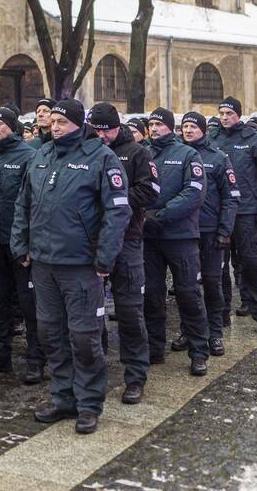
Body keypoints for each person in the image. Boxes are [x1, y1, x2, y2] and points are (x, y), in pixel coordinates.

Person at [12, 99, 131, 435]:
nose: (56, 125)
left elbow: (118, 211)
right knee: (51, 334)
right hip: (44, 263)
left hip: (81, 265)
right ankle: (63, 397)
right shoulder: (41, 155)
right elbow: (24, 204)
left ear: (79, 124)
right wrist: (20, 245)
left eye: (62, 121)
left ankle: (89, 404)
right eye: (53, 120)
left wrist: (104, 257)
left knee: (84, 338)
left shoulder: (101, 157)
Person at [88, 102, 159, 402]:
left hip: (128, 239)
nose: (102, 136)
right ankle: (95, 369)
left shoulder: (138, 153)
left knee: (129, 311)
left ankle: (135, 374)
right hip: (93, 240)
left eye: (107, 131)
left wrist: (114, 196)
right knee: (93, 312)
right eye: (97, 130)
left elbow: (151, 192)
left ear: (118, 128)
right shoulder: (87, 152)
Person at [143, 108, 210, 375]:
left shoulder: (187, 154)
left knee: (188, 294)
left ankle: (198, 351)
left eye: (159, 123)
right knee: (152, 295)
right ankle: (154, 348)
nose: (154, 128)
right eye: (151, 124)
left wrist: (160, 215)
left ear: (171, 127)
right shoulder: (144, 153)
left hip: (180, 236)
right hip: (149, 238)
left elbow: (193, 193)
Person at [0, 107, 44, 384]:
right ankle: (0, 356)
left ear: (12, 126)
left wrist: (27, 242)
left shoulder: (29, 156)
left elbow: (33, 204)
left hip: (19, 245)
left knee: (29, 306)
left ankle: (36, 360)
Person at [208, 97, 257, 337]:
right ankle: (222, 312)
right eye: (221, 113)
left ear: (238, 114)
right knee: (218, 266)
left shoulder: (254, 140)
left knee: (250, 262)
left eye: (229, 113)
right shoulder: (211, 139)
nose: (224, 117)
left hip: (246, 212)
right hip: (218, 213)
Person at [178, 112, 238, 357]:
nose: (188, 130)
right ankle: (189, 330)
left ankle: (215, 333)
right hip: (183, 233)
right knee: (187, 286)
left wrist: (225, 230)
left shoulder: (219, 158)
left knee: (212, 283)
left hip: (211, 230)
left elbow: (231, 197)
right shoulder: (177, 155)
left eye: (193, 126)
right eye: (185, 126)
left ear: (203, 129)